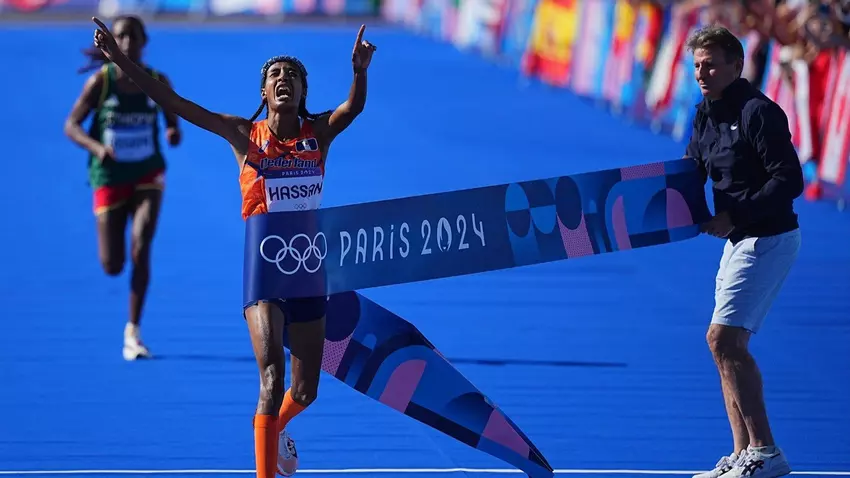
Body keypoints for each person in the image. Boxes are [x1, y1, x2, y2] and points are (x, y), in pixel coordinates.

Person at [90, 16, 376, 478]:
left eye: (293, 75)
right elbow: (174, 102)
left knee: (305, 391)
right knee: (271, 378)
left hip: (307, 270)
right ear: (264, 91)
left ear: (303, 92)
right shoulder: (243, 134)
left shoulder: (318, 133)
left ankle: (277, 429)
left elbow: (353, 108)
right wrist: (122, 60)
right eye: (275, 74)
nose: (284, 79)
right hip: (264, 271)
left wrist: (359, 72)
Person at [684, 26, 804, 478]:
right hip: (737, 240)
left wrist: (734, 215)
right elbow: (691, 170)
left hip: (768, 238)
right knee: (723, 345)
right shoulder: (705, 112)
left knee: (724, 340)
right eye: (697, 66)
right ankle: (742, 454)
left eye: (711, 65)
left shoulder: (759, 112)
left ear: (737, 65)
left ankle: (766, 451)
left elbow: (789, 180)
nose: (702, 73)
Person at [65, 15, 182, 361]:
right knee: (113, 264)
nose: (128, 43)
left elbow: (173, 115)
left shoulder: (157, 81)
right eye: (121, 37)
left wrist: (173, 131)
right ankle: (127, 310)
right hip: (110, 177)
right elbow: (71, 125)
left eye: (134, 37)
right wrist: (97, 147)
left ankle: (133, 330)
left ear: (145, 42)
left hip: (148, 173)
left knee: (142, 245)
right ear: (111, 43)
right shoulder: (101, 83)